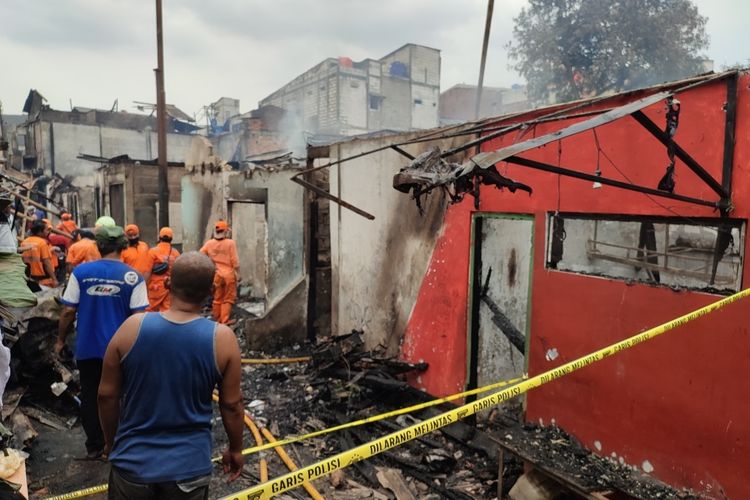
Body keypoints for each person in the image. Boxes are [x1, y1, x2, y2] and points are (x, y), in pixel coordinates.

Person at [99, 252, 244, 499]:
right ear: (211, 290)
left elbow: (106, 395)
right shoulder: (223, 339)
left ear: (167, 283)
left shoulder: (132, 328)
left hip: (133, 464)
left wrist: (112, 443)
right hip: (188, 469)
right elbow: (231, 405)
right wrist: (236, 449)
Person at [56, 225, 148, 459]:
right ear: (123, 247)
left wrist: (60, 340)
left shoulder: (81, 273)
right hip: (122, 351)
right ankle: (119, 444)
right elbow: (139, 319)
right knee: (121, 395)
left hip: (88, 347)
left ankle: (96, 446)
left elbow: (68, 311)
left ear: (98, 246)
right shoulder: (133, 277)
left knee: (90, 395)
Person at [200, 220, 240, 324]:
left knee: (217, 298)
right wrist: (238, 274)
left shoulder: (209, 243)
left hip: (216, 275)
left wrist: (210, 264)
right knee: (228, 298)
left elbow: (200, 255)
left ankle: (217, 319)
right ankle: (224, 321)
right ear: (226, 231)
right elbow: (235, 261)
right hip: (228, 275)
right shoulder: (230, 243)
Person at [146, 227, 180, 312]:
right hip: (169, 286)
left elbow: (147, 272)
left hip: (155, 287)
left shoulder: (152, 251)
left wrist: (145, 287)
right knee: (167, 311)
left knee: (150, 310)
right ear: (171, 239)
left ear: (159, 237)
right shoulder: (176, 253)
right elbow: (179, 272)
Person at [20, 221, 58, 287]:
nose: (48, 232)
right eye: (46, 230)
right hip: (42, 280)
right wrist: (54, 279)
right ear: (40, 231)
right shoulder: (42, 243)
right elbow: (47, 263)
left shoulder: (24, 242)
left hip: (27, 278)